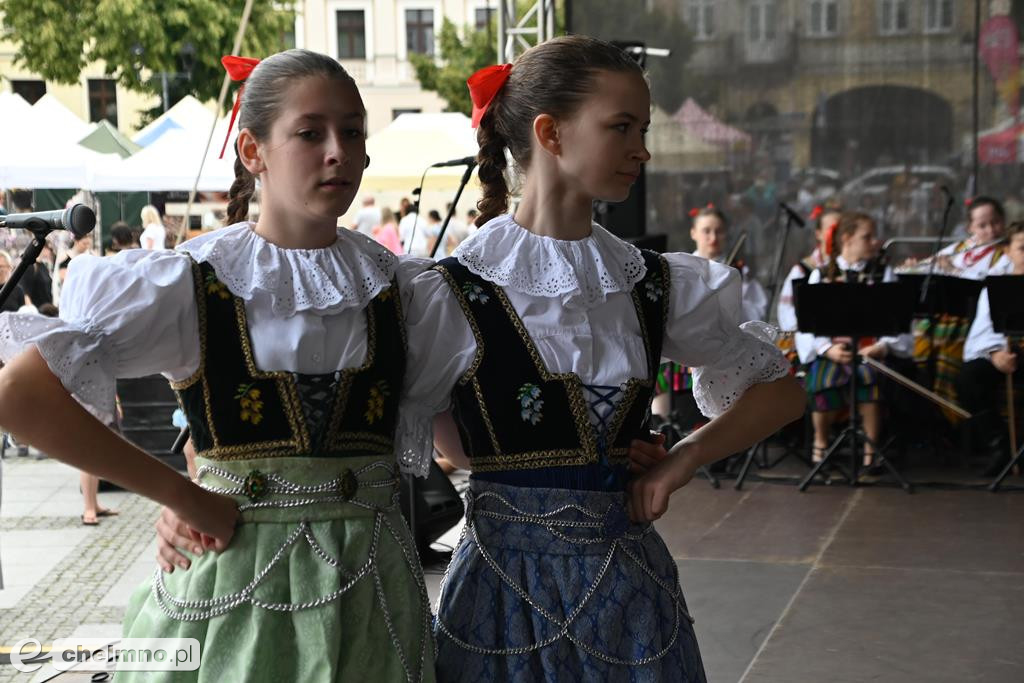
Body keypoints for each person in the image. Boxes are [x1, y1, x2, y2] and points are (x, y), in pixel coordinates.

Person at [0, 49, 435, 682]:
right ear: (254, 151)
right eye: (310, 133)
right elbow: (19, 395)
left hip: (371, 588)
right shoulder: (196, 281)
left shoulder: (406, 289)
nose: (338, 150)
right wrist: (180, 495)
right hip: (234, 584)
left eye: (353, 131)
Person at [402, 36, 804, 681]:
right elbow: (443, 441)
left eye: (642, 128)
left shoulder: (649, 281)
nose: (642, 148)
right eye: (622, 127)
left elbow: (782, 393)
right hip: (503, 592)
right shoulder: (450, 290)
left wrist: (678, 462)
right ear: (550, 132)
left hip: (628, 592)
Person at [795, 211, 912, 468]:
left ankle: (871, 452)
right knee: (823, 378)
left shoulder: (884, 274)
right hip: (835, 350)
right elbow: (808, 327)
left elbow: (895, 322)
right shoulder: (821, 274)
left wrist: (881, 347)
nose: (875, 242)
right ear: (847, 239)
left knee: (870, 379)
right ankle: (821, 443)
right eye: (867, 237)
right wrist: (827, 349)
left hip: (870, 352)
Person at [959, 221, 1024, 475]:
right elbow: (982, 331)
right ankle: (1000, 445)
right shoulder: (997, 285)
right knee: (970, 377)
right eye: (1022, 248)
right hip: (1007, 350)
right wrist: (995, 354)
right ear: (1007, 251)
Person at [688, 204, 768, 322]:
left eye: (719, 231)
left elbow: (758, 313)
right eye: (706, 231)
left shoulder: (737, 270)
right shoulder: (684, 268)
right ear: (693, 233)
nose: (713, 238)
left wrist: (731, 304)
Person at [776, 204, 840, 332]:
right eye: (832, 230)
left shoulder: (850, 267)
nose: (837, 235)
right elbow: (786, 313)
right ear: (818, 234)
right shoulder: (802, 270)